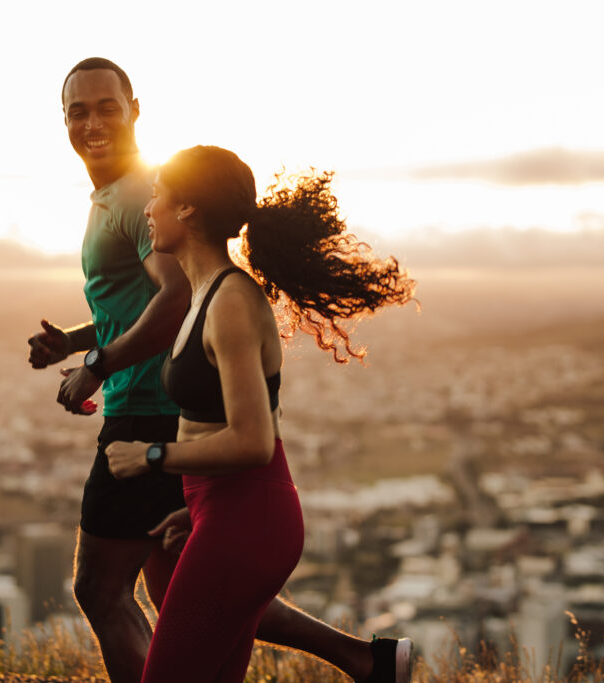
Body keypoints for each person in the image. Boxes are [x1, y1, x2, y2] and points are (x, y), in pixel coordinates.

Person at [30, 57, 413, 683]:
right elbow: (146, 304)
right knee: (181, 589)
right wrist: (76, 339)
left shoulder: (141, 205)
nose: (92, 121)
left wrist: (99, 367)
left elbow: (175, 298)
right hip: (185, 449)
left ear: (134, 110)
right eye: (78, 109)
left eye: (106, 106)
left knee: (102, 589)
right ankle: (363, 658)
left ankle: (355, 657)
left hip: (150, 418)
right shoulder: (129, 205)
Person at [104, 145, 416, 682]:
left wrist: (150, 456)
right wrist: (200, 511)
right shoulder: (205, 293)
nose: (148, 209)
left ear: (187, 211)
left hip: (248, 521)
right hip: (229, 513)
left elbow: (254, 441)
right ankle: (373, 665)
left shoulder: (229, 301)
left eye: (157, 196)